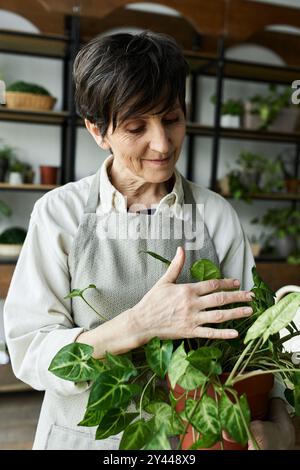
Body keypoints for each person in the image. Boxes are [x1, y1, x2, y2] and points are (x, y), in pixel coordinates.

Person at [4, 31, 294, 450]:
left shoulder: (214, 215)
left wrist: (283, 425)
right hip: (84, 440)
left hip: (195, 441)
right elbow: (30, 352)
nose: (161, 144)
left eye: (172, 119)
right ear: (97, 130)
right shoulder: (59, 215)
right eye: (136, 126)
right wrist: (139, 324)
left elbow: (259, 343)